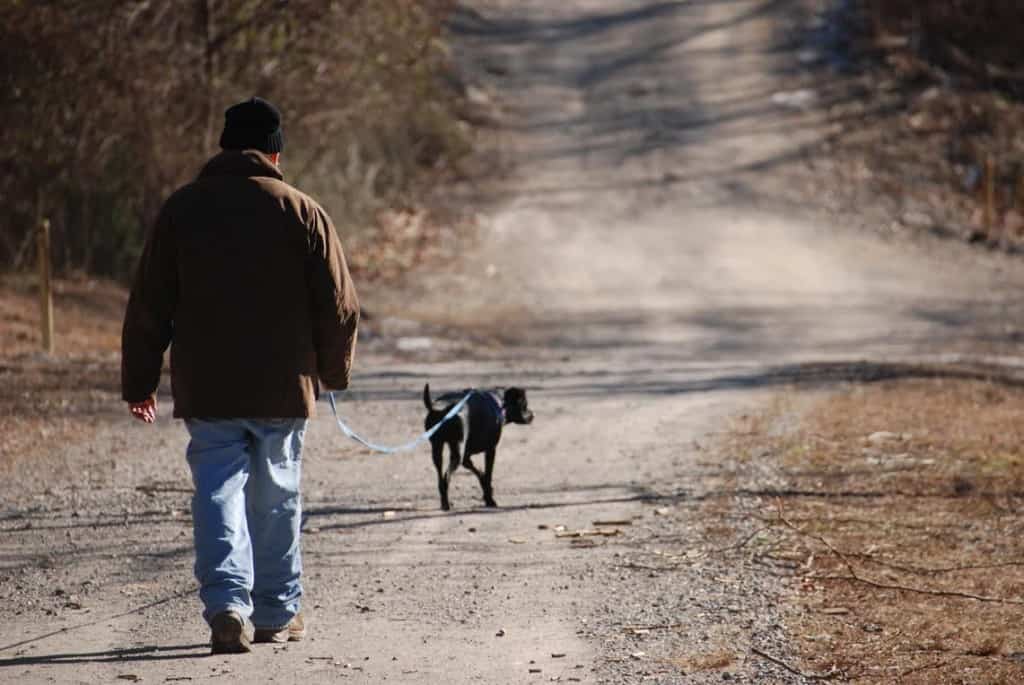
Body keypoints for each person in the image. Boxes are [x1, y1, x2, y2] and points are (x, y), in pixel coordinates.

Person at [121, 97, 359, 654]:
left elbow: (149, 304)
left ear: (224, 146)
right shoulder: (303, 211)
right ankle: (277, 612)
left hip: (209, 387)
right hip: (282, 385)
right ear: (276, 150)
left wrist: (139, 383)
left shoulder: (182, 210)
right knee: (277, 495)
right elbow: (340, 306)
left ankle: (228, 603)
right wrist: (332, 372)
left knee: (217, 489)